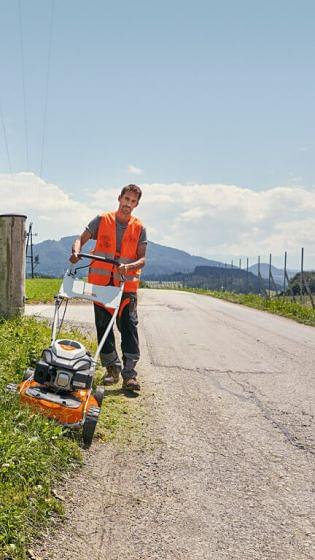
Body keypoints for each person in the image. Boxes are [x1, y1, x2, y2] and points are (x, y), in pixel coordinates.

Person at [70, 184, 147, 392]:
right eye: (126, 199)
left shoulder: (139, 228)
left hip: (126, 285)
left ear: (137, 204)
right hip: (102, 285)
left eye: (132, 201)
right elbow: (80, 239)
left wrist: (129, 266)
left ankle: (130, 375)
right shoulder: (102, 220)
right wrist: (76, 252)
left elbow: (142, 259)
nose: (128, 204)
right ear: (119, 198)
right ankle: (112, 369)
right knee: (103, 326)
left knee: (128, 326)